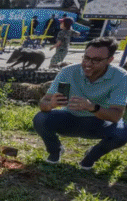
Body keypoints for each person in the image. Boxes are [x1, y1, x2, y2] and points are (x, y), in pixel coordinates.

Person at [33, 37, 127, 170]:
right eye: (86, 58)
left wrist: (92, 107)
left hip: (99, 122)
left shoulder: (120, 77)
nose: (88, 64)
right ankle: (55, 150)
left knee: (122, 134)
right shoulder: (68, 72)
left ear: (110, 60)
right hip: (70, 118)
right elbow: (44, 103)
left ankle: (90, 157)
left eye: (96, 60)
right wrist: (51, 104)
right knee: (40, 118)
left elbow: (116, 116)